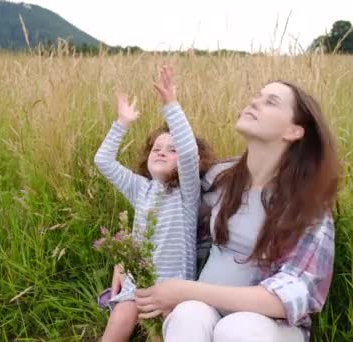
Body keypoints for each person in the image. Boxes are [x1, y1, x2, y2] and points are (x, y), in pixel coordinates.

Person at [135, 80, 340, 341]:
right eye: (257, 95)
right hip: (206, 311)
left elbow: (291, 296)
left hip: (268, 327)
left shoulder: (308, 206)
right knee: (187, 314)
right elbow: (170, 218)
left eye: (271, 101)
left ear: (294, 131)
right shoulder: (220, 178)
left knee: (235, 328)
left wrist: (188, 290)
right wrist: (130, 254)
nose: (255, 101)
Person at [93, 65, 214, 341]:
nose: (162, 152)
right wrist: (122, 123)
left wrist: (171, 105)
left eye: (171, 150)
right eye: (157, 148)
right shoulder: (141, 189)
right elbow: (103, 161)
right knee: (120, 317)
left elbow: (188, 151)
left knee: (171, 330)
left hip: (174, 290)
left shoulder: (186, 194)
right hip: (137, 284)